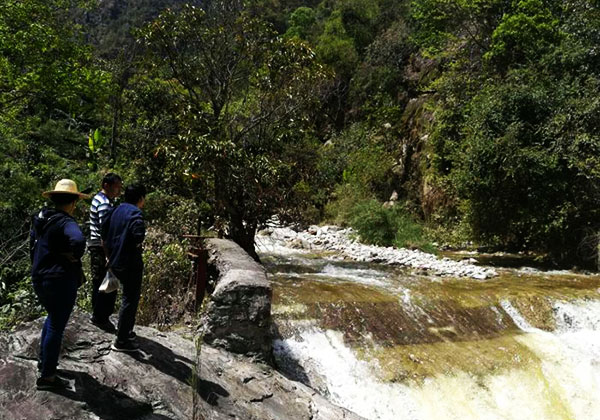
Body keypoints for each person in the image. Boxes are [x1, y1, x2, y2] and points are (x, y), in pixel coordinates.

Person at [30, 179, 89, 390]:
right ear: (73, 202)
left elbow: (32, 245)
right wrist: (71, 257)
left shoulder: (42, 218)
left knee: (52, 318)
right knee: (56, 324)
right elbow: (79, 241)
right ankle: (47, 377)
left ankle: (44, 362)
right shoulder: (66, 222)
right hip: (60, 279)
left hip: (40, 277)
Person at [102, 183, 146, 352]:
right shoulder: (136, 214)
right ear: (141, 198)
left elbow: (103, 231)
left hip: (114, 260)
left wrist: (109, 253)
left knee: (114, 293)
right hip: (130, 262)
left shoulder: (115, 210)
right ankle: (122, 339)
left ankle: (117, 327)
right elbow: (138, 236)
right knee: (130, 298)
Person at [88, 172, 122, 332]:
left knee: (100, 280)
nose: (118, 191)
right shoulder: (103, 203)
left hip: (98, 245)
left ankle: (98, 315)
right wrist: (109, 254)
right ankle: (101, 317)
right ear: (106, 185)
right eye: (116, 187)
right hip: (101, 246)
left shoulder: (102, 200)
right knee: (104, 281)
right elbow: (105, 230)